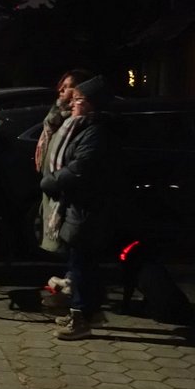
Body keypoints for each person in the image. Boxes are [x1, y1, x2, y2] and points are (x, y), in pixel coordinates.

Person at [40, 76, 118, 340]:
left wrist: (51, 181)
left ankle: (80, 318)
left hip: (88, 206)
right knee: (81, 261)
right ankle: (89, 312)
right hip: (78, 205)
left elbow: (81, 168)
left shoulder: (95, 131)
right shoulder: (82, 126)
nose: (73, 104)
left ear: (93, 104)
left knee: (83, 264)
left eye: (79, 100)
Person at [36, 69, 93, 254]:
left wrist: (52, 181)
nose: (61, 90)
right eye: (62, 85)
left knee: (77, 253)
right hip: (54, 187)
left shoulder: (79, 122)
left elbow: (78, 164)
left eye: (68, 86)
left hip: (65, 191)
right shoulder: (58, 118)